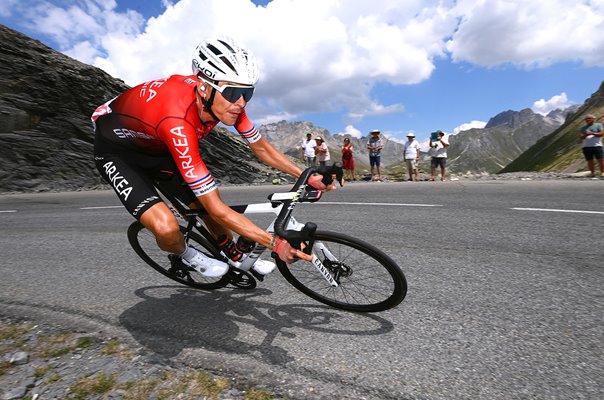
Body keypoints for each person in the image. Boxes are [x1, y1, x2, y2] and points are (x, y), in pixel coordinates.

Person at [91, 37, 331, 278]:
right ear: (204, 87)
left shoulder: (224, 100)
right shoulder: (177, 122)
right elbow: (217, 208)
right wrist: (274, 243)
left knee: (202, 208)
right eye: (234, 92)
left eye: (248, 92)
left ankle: (235, 256)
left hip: (158, 147)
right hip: (118, 153)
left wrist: (307, 175)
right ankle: (187, 255)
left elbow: (261, 148)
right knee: (167, 228)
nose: (240, 102)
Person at [579, 114, 604, 178]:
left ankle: (602, 173)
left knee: (600, 159)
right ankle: (592, 173)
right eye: (586, 119)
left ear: (593, 119)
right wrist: (586, 135)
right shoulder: (583, 128)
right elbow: (581, 137)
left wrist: (593, 133)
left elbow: (601, 133)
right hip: (586, 146)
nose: (587, 120)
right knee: (589, 160)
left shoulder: (598, 125)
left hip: (597, 145)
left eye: (589, 118)